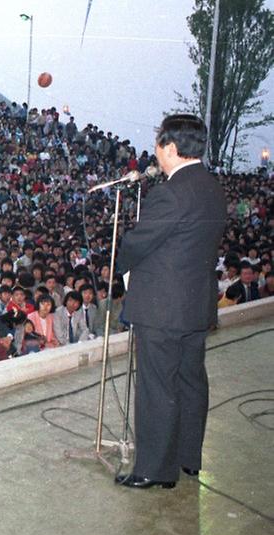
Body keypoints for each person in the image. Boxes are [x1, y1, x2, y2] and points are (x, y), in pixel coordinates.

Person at [115, 114, 226, 489]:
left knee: (158, 386)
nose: (157, 153)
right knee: (191, 381)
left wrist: (119, 259)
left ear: (172, 149)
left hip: (163, 308)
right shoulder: (212, 187)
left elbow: (138, 242)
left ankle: (154, 469)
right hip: (196, 306)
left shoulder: (171, 192)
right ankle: (188, 458)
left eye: (160, 146)